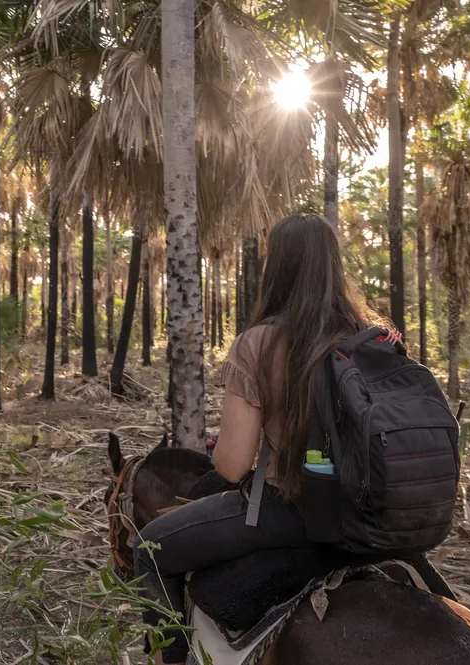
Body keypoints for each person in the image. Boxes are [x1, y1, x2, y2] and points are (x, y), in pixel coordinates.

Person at [134, 214, 386, 665]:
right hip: (366, 515)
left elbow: (232, 466)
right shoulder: (370, 337)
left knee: (149, 549)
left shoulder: (259, 344)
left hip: (292, 511)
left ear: (278, 268)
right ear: (334, 267)